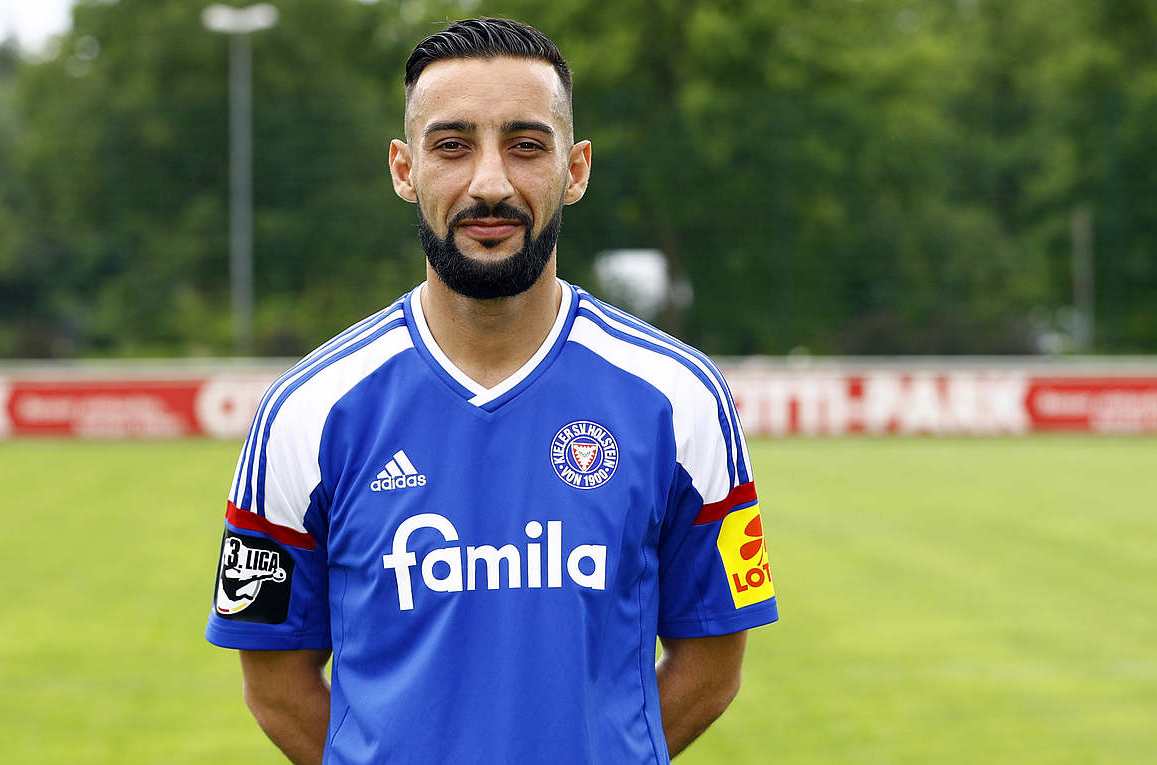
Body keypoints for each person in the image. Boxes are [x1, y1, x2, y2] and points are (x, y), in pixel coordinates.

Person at [205, 17, 777, 765]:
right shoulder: (305, 412)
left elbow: (712, 665)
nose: (490, 183)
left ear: (575, 169)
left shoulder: (680, 397)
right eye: (452, 146)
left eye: (526, 145)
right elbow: (275, 683)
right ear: (404, 169)